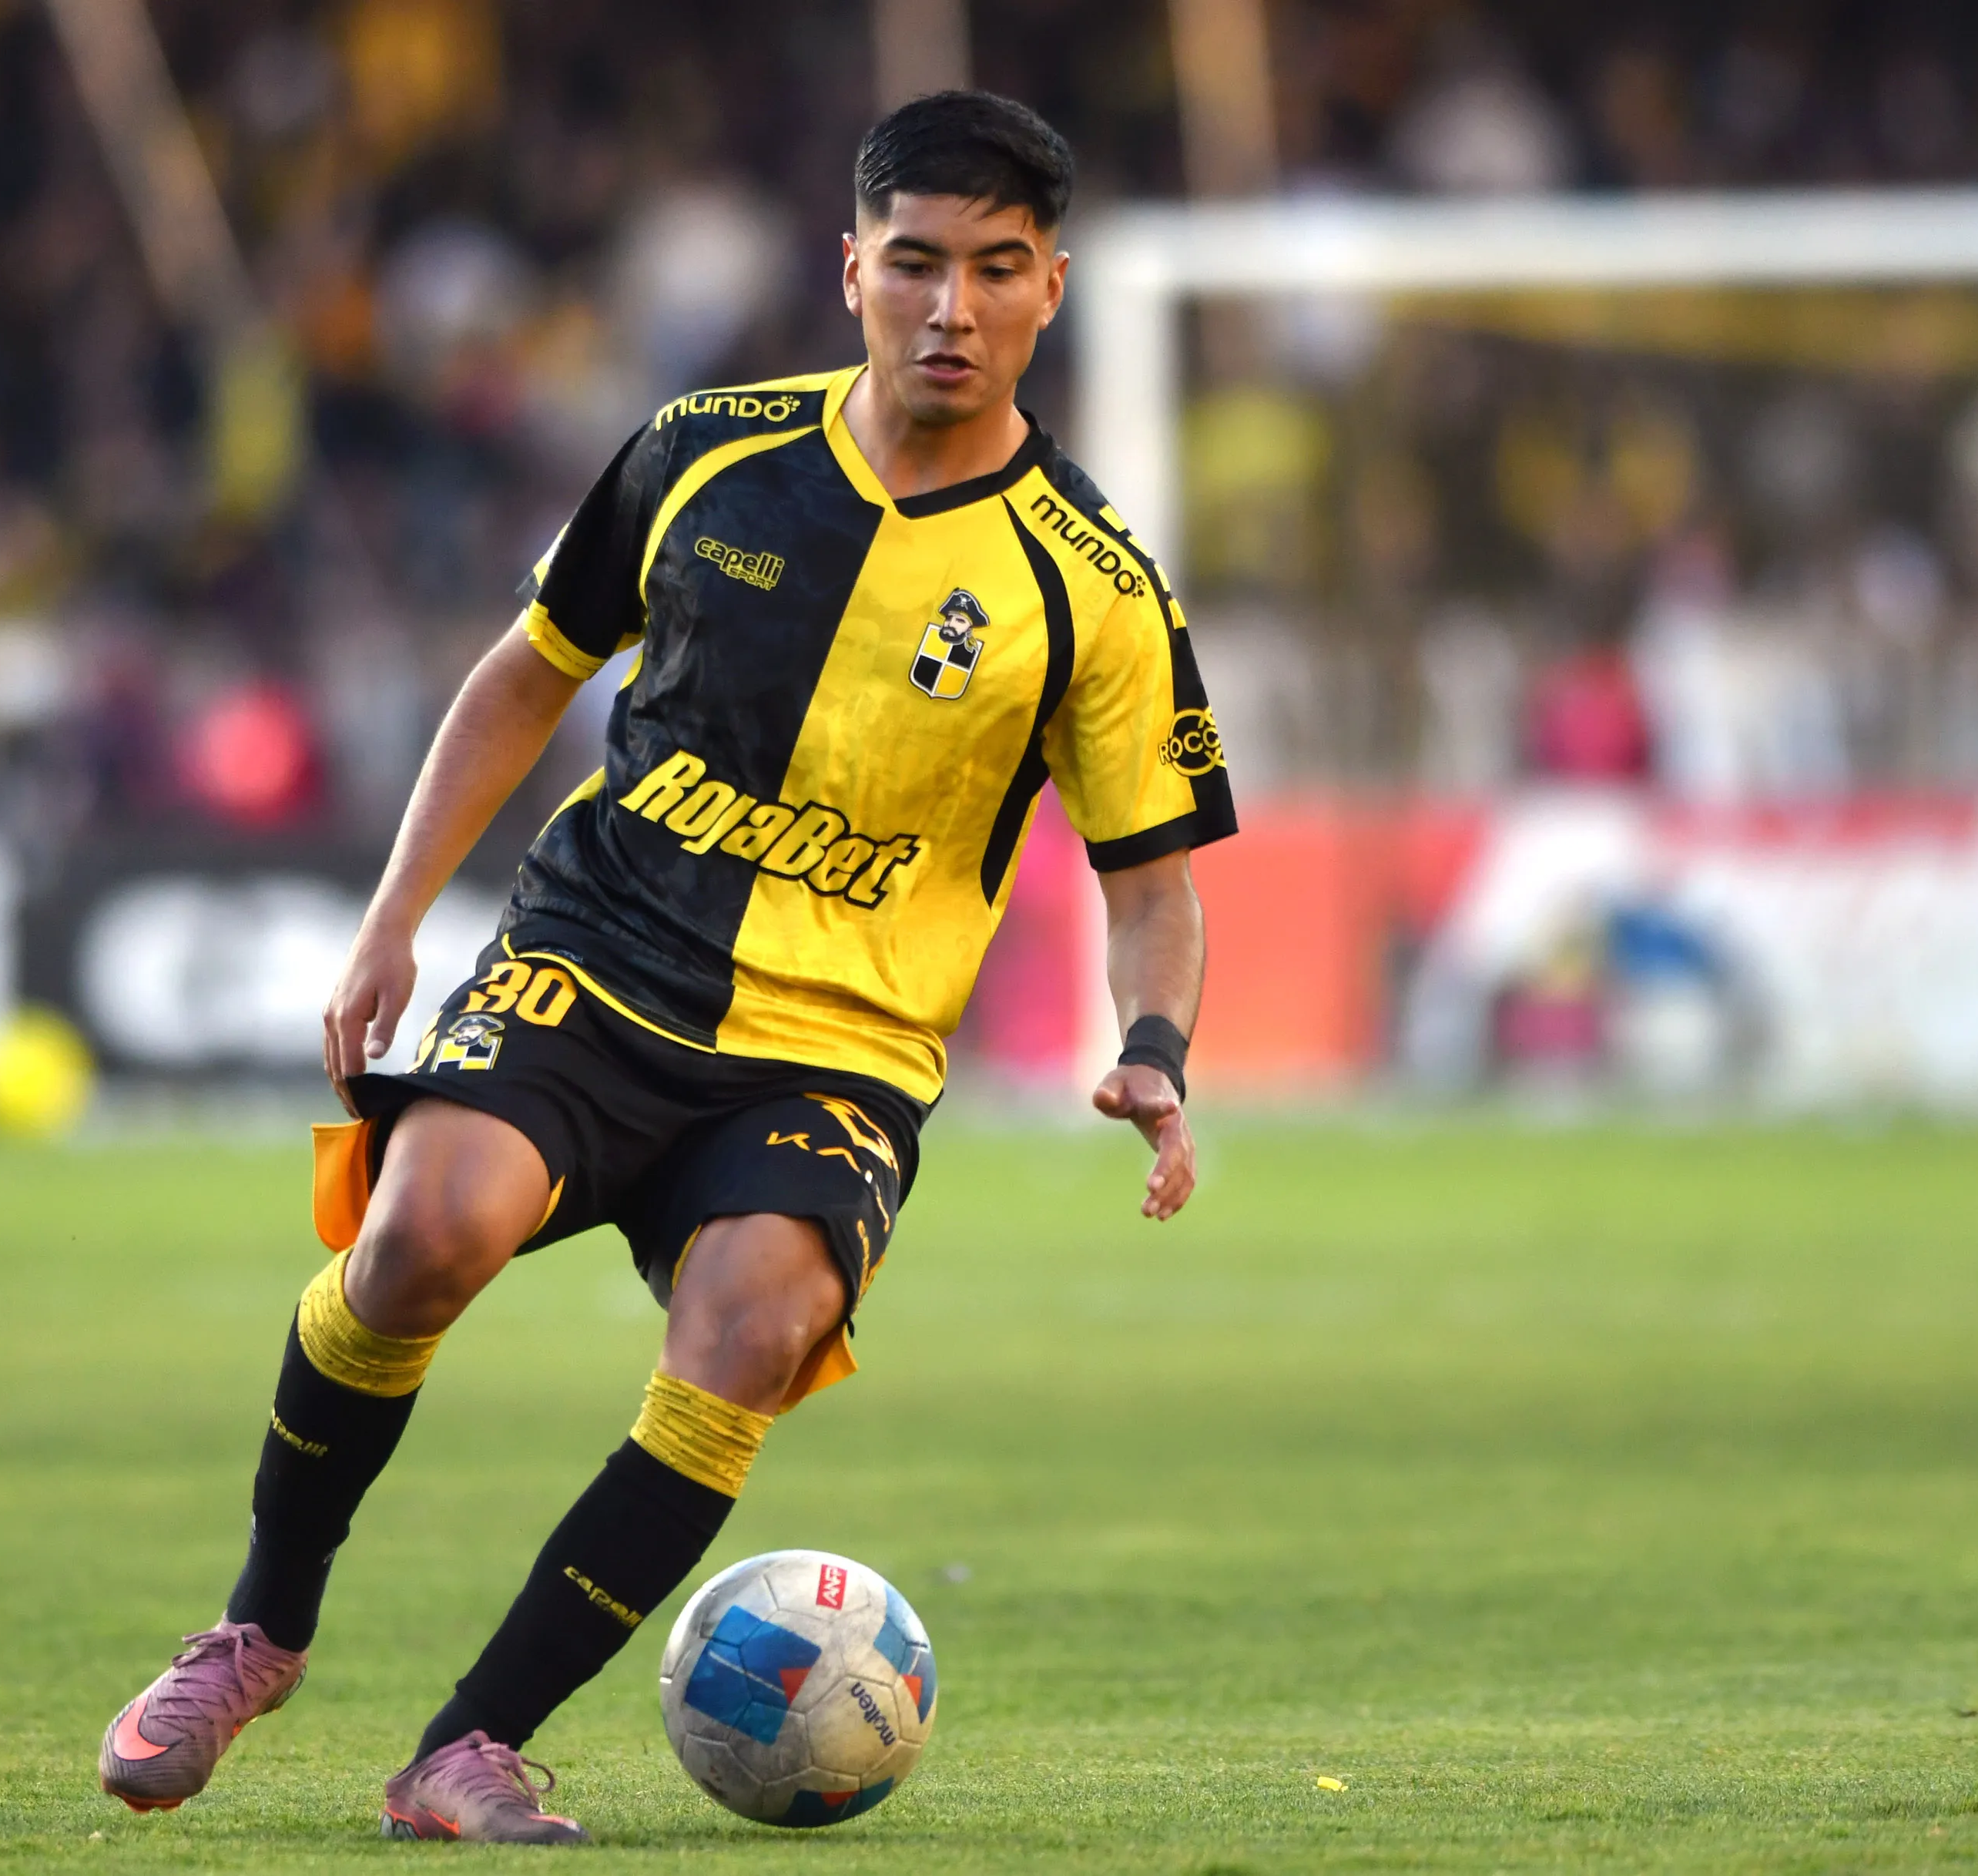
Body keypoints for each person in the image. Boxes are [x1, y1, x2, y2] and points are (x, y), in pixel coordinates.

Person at [96, 90, 1233, 1843]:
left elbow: (1149, 879)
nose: (951, 308)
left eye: (996, 270)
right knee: (421, 1233)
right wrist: (392, 917)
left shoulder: (1095, 587)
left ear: (1050, 288)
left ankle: (468, 1746)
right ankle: (256, 1630)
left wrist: (1153, 1041)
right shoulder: (705, 450)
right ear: (849, 268)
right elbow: (526, 670)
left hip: (840, 1044)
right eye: (915, 263)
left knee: (755, 1329)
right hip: (603, 953)